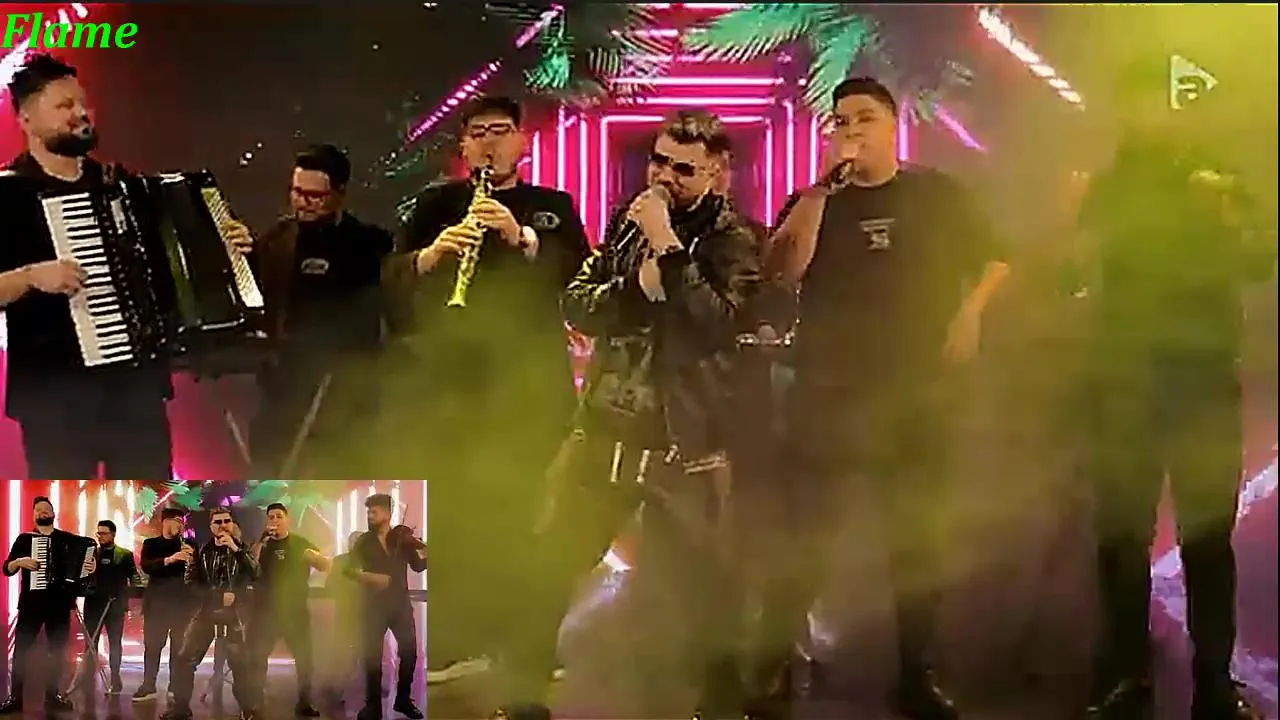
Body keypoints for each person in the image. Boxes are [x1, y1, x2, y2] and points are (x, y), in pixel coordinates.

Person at [763, 77, 1010, 720]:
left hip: (917, 394)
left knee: (915, 539)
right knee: (806, 532)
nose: (851, 130)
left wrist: (970, 313)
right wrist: (820, 190)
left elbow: (996, 258)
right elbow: (781, 270)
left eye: (864, 118)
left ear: (893, 123)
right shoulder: (817, 200)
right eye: (841, 119)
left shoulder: (934, 192)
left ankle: (916, 676)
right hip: (829, 392)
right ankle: (774, 666)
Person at [534, 109, 761, 719]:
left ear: (716, 172)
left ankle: (720, 703)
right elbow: (578, 304)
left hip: (684, 434)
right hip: (609, 421)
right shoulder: (625, 222)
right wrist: (637, 287)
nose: (664, 176)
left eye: (683, 168)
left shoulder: (733, 238)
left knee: (704, 578)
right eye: (659, 161)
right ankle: (524, 690)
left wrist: (668, 248)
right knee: (558, 555)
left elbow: (719, 324)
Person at [1077, 66, 1270, 720]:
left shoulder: (1217, 176)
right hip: (1125, 382)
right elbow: (1072, 272)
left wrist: (1231, 217)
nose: (1150, 117)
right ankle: (1129, 678)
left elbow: (1262, 259)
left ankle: (1214, 685)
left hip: (1202, 382)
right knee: (1121, 538)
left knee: (1208, 539)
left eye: (1161, 102)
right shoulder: (1109, 186)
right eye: (1137, 104)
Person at [382, 95, 590, 680]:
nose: (490, 142)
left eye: (501, 131)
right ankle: (457, 639)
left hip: (529, 387)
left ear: (522, 141)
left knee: (528, 515)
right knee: (453, 513)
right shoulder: (436, 206)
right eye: (478, 133)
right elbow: (392, 286)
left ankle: (526, 644)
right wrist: (430, 258)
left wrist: (522, 237)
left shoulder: (552, 207)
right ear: (464, 147)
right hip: (449, 385)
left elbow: (579, 276)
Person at [0, 54, 253, 480]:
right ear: (26, 119)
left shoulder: (121, 187)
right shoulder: (8, 196)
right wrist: (29, 277)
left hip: (136, 393)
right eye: (64, 106)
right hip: (54, 399)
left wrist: (225, 246)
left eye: (83, 103)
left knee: (148, 505)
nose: (80, 113)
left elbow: (175, 261)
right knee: (66, 515)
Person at [246, 145, 394, 477]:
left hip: (342, 388)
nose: (302, 202)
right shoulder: (276, 239)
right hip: (281, 384)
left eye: (315, 196)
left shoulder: (370, 244)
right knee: (270, 468)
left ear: (339, 194)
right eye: (297, 192)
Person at [0, 497, 96, 714]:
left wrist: (91, 565)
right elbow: (6, 568)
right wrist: (18, 562)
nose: (42, 512)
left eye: (46, 509)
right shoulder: (24, 539)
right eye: (38, 510)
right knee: (21, 652)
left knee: (58, 652)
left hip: (60, 605)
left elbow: (86, 560)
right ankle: (15, 698)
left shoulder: (67, 539)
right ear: (33, 515)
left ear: (53, 514)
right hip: (31, 604)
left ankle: (53, 696)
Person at [161, 507, 260, 720]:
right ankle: (180, 708)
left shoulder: (242, 549)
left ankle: (248, 709)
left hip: (235, 615)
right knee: (185, 659)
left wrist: (235, 549)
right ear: (211, 526)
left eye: (227, 521)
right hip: (207, 612)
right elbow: (191, 581)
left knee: (241, 664)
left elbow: (255, 573)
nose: (223, 525)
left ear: (232, 523)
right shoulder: (203, 551)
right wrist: (215, 596)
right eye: (218, 522)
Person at [345, 494, 427, 720]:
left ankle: (403, 700)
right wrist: (372, 578)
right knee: (372, 657)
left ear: (388, 514)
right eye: (368, 512)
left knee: (410, 653)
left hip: (400, 606)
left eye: (375, 512)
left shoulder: (402, 538)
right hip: (374, 607)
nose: (370, 516)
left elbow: (418, 566)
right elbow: (348, 570)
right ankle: (372, 706)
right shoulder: (364, 542)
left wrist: (427, 552)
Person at [249, 503, 331, 715]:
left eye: (278, 516)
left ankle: (305, 702)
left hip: (295, 612)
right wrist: (261, 542)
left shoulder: (301, 543)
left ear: (288, 520)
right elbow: (249, 567)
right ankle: (256, 701)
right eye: (271, 517)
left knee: (304, 659)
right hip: (266, 612)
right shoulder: (262, 545)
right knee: (259, 657)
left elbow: (324, 565)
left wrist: (317, 559)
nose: (274, 520)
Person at [135, 508, 195, 703]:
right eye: (176, 520)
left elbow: (197, 574)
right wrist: (171, 559)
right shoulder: (151, 544)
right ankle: (148, 685)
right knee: (152, 646)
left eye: (182, 522)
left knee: (179, 647)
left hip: (181, 604)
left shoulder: (188, 544)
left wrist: (192, 561)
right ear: (165, 522)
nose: (180, 525)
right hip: (157, 605)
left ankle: (175, 685)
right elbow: (146, 566)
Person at [80, 519, 139, 695]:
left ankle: (115, 677)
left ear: (113, 534)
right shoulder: (91, 555)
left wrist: (131, 598)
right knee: (90, 643)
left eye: (104, 533)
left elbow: (134, 577)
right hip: (93, 605)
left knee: (115, 643)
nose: (100, 536)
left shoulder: (124, 554)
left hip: (115, 605)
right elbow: (82, 577)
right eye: (98, 533)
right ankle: (88, 676)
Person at [322, 531, 365, 707]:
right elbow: (330, 584)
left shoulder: (368, 561)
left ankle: (336, 688)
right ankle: (336, 688)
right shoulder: (343, 561)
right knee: (346, 652)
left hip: (359, 613)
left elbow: (329, 585)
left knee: (351, 652)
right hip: (349, 613)